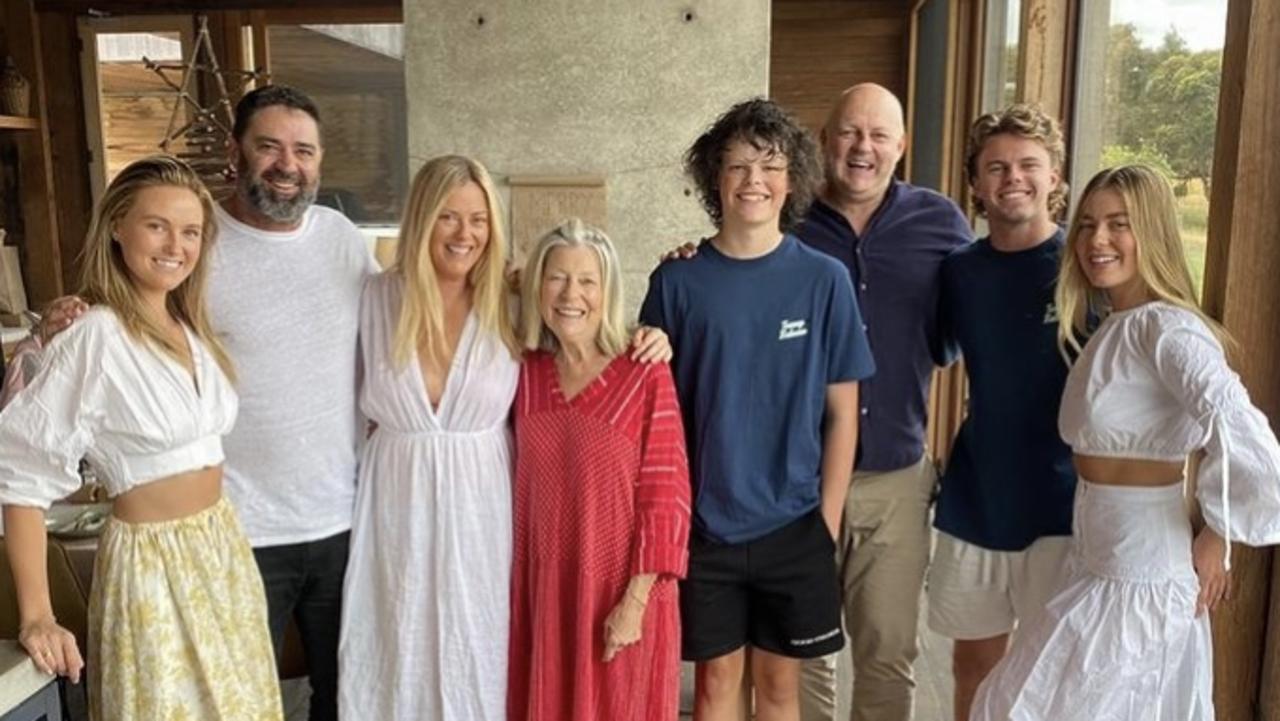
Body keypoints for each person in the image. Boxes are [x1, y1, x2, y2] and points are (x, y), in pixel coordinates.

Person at [28, 86, 373, 720]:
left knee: (340, 697)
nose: (287, 164)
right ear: (236, 156)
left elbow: (405, 321)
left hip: (341, 520)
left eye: (303, 150)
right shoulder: (201, 249)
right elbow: (122, 325)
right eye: (268, 147)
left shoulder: (343, 241)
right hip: (238, 532)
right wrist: (58, 322)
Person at [338, 158, 672, 719]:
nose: (464, 234)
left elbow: (576, 312)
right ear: (420, 219)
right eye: (447, 217)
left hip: (482, 518)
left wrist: (648, 332)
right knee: (393, 649)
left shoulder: (508, 303)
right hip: (395, 509)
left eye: (478, 219)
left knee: (483, 658)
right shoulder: (372, 300)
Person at [970, 164, 1280, 720]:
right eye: (1087, 225)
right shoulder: (1116, 325)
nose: (1097, 240)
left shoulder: (1169, 330)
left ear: (1154, 232)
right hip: (1096, 562)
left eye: (1119, 224)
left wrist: (1221, 529)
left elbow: (1239, 426)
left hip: (1141, 577)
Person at [0, 155, 282, 719]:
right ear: (116, 228)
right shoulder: (95, 335)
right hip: (152, 567)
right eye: (157, 225)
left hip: (221, 551)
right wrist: (38, 615)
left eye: (191, 231)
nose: (175, 244)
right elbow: (20, 474)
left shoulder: (190, 327)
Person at [641, 97, 874, 721]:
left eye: (769, 166)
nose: (753, 181)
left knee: (778, 689)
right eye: (738, 166)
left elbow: (843, 414)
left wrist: (824, 522)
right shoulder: (676, 282)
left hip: (794, 524)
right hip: (706, 526)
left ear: (791, 178)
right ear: (714, 178)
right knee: (717, 687)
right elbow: (650, 411)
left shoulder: (823, 281)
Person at [796, 83, 971, 721]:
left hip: (897, 478)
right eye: (848, 132)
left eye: (878, 135)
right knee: (801, 651)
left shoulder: (942, 223)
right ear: (825, 139)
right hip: (797, 479)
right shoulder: (785, 220)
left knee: (888, 652)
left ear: (901, 145)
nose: (862, 147)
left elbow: (959, 330)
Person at [508, 218, 691, 721]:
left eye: (588, 280)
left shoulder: (643, 370)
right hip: (543, 595)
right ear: (536, 287)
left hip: (620, 594)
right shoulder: (521, 371)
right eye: (557, 278)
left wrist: (633, 603)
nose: (572, 294)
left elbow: (667, 496)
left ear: (607, 291)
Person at [928, 105, 1076, 721]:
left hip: (1063, 502)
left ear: (1054, 177)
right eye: (996, 167)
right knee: (975, 668)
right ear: (977, 183)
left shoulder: (1082, 269)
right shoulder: (960, 272)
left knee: (1052, 672)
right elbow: (931, 351)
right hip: (978, 495)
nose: (1012, 177)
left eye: (1027, 165)